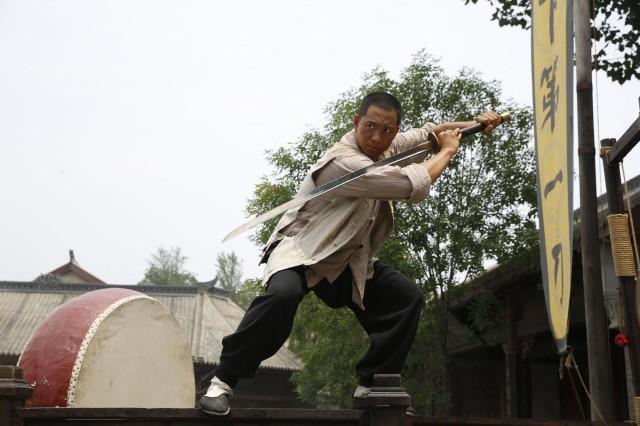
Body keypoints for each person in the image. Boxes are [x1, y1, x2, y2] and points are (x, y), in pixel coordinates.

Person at [199, 92, 501, 415]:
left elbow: (431, 133)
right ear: (357, 122)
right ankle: (223, 382)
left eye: (387, 130)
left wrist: (475, 123)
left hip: (345, 258)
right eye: (370, 126)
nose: (377, 137)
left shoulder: (388, 146)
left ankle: (372, 385)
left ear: (395, 131)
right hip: (302, 250)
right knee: (282, 297)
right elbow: (407, 186)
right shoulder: (344, 162)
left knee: (405, 299)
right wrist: (449, 151)